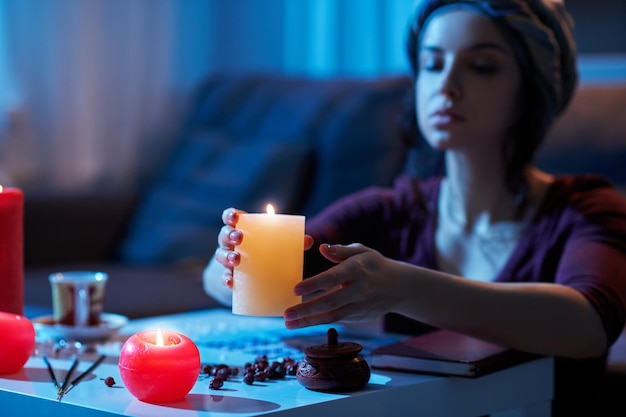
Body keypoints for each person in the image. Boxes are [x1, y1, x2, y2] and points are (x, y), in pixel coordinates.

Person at [203, 0, 626, 415]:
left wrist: (405, 289)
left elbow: (588, 326)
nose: (447, 85)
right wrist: (233, 260)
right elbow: (232, 281)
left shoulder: (586, 209)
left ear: (531, 88)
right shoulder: (388, 211)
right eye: (432, 64)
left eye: (482, 67)